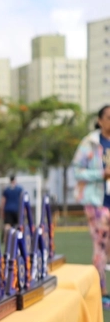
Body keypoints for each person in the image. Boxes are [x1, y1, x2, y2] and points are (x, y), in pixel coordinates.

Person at [73, 105, 110, 307]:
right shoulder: (91, 143)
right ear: (100, 120)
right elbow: (78, 171)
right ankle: (101, 292)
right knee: (100, 246)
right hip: (97, 203)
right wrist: (101, 174)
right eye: (109, 117)